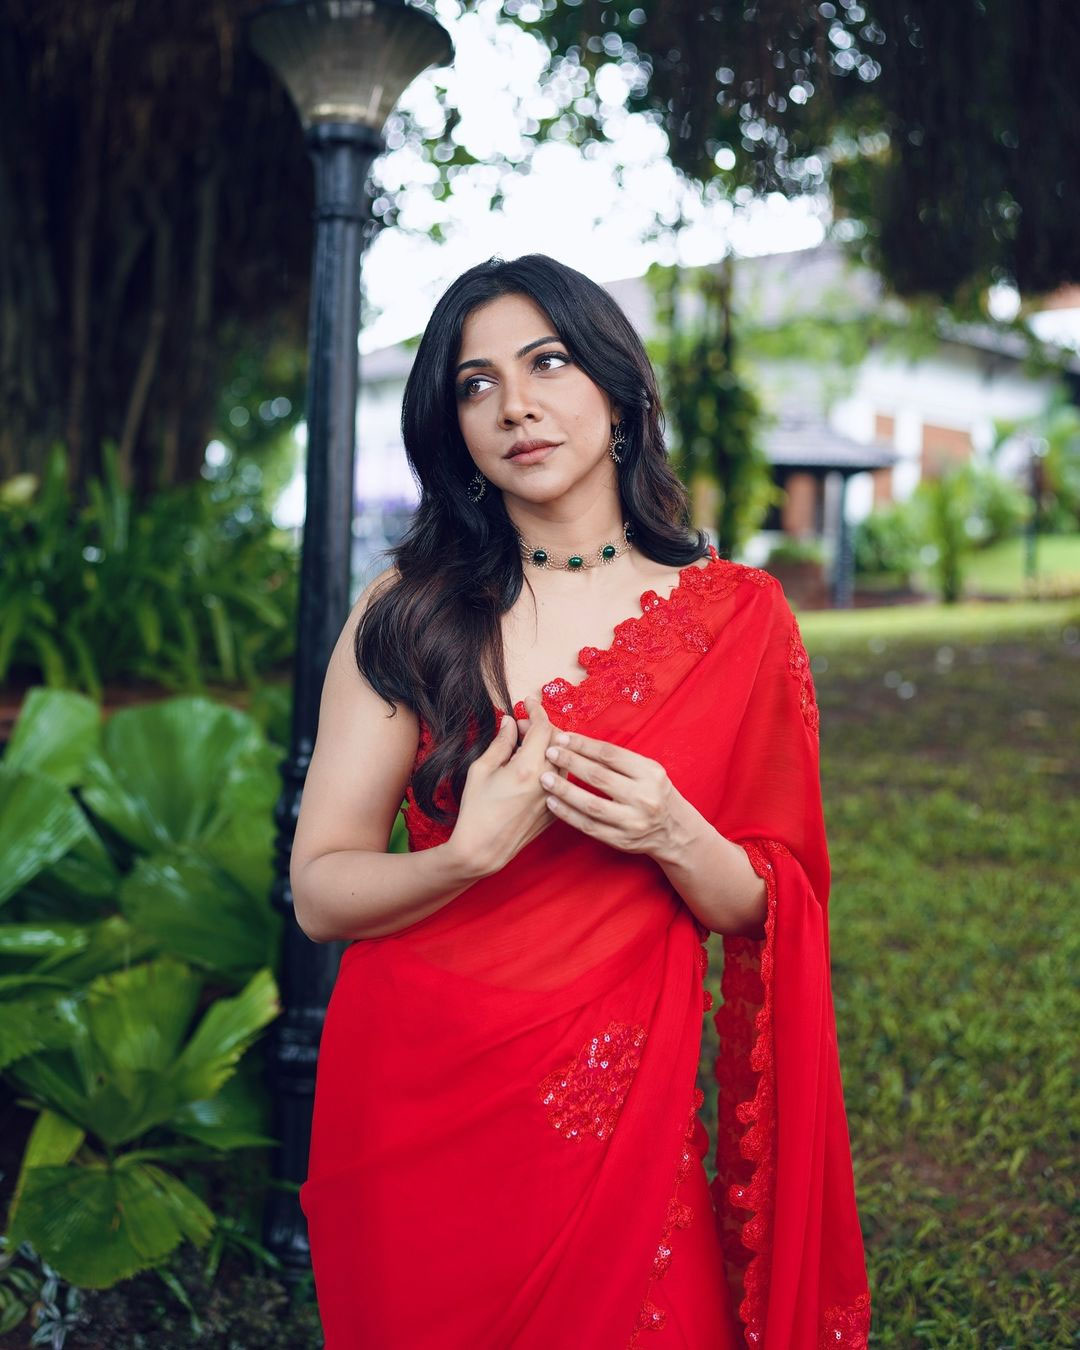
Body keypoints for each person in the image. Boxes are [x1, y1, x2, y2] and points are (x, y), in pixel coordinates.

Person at [291, 254, 871, 1349]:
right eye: (476, 383)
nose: (515, 404)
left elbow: (767, 904)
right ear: (453, 426)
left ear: (618, 389)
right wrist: (463, 856)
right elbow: (320, 893)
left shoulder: (738, 621)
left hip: (615, 1110)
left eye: (547, 362)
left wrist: (673, 831)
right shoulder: (409, 612)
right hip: (411, 1093)